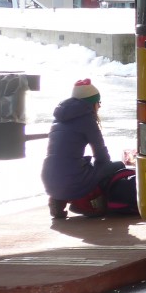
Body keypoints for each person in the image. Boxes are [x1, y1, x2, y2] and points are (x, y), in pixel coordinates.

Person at [42, 78, 135, 218]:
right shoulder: (87, 119)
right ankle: (90, 202)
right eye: (99, 102)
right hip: (72, 180)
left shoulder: (59, 118)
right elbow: (101, 155)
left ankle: (58, 200)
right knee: (116, 166)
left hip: (48, 178)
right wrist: (105, 169)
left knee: (79, 169)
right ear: (92, 103)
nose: (99, 106)